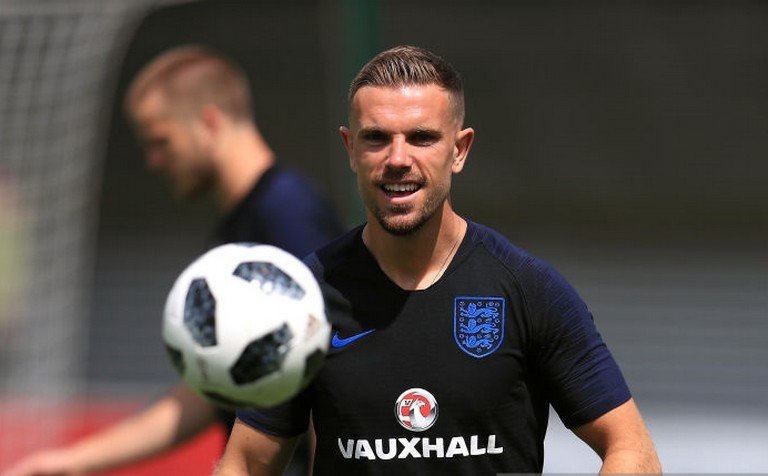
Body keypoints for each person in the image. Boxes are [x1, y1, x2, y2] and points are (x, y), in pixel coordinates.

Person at [215, 45, 662, 474]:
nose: (398, 159)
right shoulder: (303, 298)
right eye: (376, 138)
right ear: (350, 149)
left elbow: (632, 451)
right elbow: (245, 465)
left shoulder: (528, 290)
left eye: (422, 138)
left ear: (459, 150)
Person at [3, 45, 342, 476]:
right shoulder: (236, 233)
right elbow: (210, 391)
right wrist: (71, 462)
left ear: (210, 121)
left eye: (160, 141)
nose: (153, 161)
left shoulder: (287, 211)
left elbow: (333, 361)